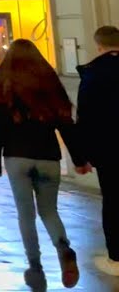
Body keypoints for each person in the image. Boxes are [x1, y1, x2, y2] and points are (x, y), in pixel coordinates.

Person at [0, 39, 85, 290]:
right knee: (49, 211)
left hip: (17, 157)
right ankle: (63, 249)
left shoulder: (3, 83)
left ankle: (35, 265)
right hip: (48, 156)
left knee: (25, 214)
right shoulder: (49, 82)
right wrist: (79, 159)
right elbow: (66, 124)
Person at [77, 25, 119, 276]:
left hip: (109, 151)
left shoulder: (93, 74)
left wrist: (84, 156)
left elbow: (86, 118)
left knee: (113, 201)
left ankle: (116, 258)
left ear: (99, 45)